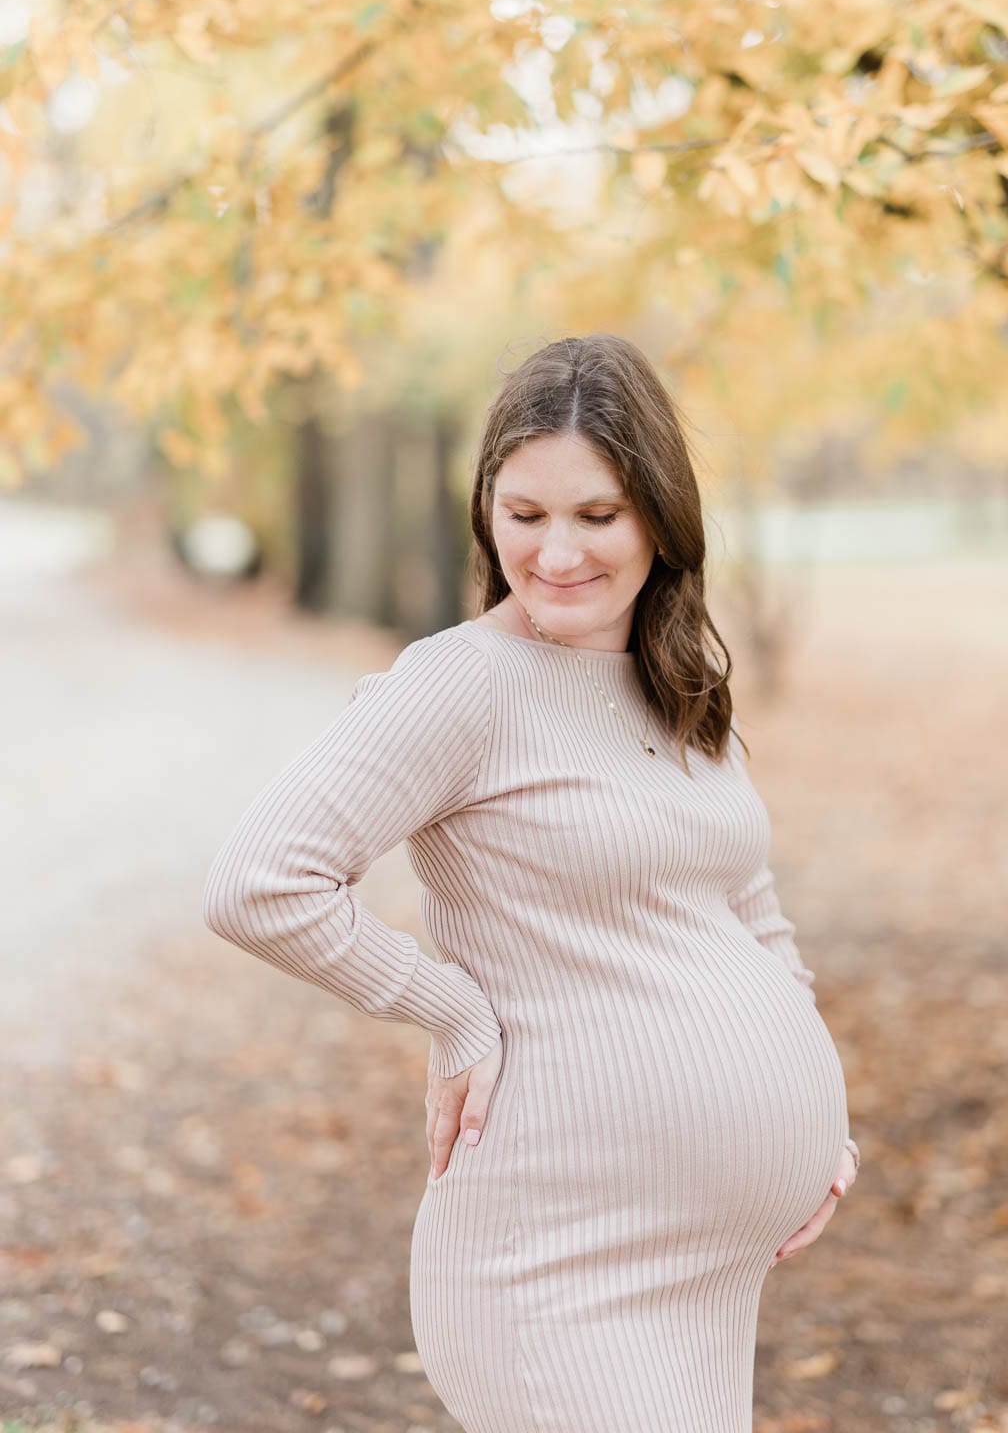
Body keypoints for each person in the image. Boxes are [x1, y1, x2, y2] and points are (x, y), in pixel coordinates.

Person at [202, 332, 859, 1433]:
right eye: (525, 514)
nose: (556, 553)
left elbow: (749, 913)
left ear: (660, 515)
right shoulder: (459, 686)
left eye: (597, 516)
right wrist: (450, 1010)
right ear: (486, 512)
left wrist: (816, 1132)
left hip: (707, 1275)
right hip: (555, 1258)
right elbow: (259, 882)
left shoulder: (677, 686)